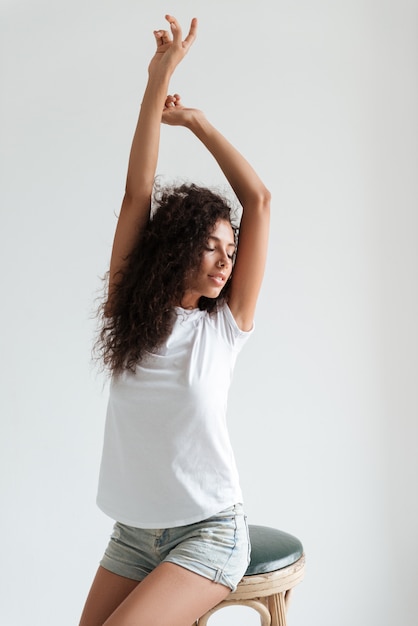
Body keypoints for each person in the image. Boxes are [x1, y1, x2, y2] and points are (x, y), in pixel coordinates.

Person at [79, 14, 270, 626]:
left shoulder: (224, 328)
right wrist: (157, 79)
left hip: (211, 533)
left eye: (231, 251)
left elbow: (259, 201)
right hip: (135, 535)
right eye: (211, 246)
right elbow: (137, 193)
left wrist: (196, 121)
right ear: (177, 246)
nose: (225, 262)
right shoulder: (128, 312)